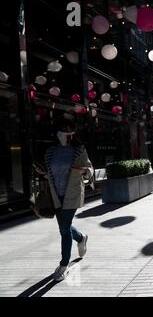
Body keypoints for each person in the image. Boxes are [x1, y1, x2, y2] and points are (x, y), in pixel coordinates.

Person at [34, 118, 94, 282]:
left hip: (72, 193)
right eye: (63, 128)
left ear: (73, 132)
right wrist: (43, 173)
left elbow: (90, 169)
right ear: (57, 132)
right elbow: (51, 174)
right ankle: (81, 238)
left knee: (64, 230)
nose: (66, 131)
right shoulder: (51, 151)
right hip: (56, 194)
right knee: (65, 227)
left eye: (69, 128)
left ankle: (63, 265)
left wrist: (82, 170)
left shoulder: (78, 149)